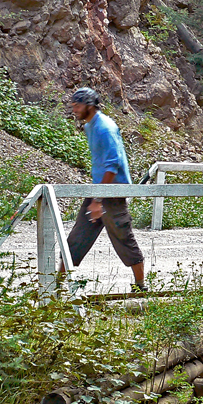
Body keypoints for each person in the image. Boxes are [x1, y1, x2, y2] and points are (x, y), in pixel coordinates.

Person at [59, 87, 146, 291]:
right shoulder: (90, 126)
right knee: (77, 238)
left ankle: (141, 285)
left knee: (122, 236)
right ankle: (55, 286)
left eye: (77, 106)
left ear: (89, 105)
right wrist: (95, 196)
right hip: (98, 190)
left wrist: (98, 200)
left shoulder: (105, 127)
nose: (74, 110)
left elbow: (112, 166)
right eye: (73, 106)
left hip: (112, 192)